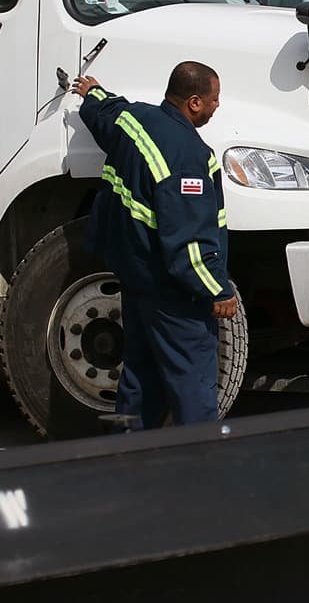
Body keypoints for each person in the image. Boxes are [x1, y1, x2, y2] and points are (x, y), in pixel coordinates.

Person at [72, 61, 236, 429]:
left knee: (140, 378)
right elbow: (188, 241)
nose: (217, 105)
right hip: (172, 293)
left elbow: (106, 112)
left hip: (136, 280)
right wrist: (217, 289)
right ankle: (200, 464)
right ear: (194, 102)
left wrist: (92, 92)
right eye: (214, 98)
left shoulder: (135, 121)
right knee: (192, 383)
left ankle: (128, 459)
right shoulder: (189, 158)